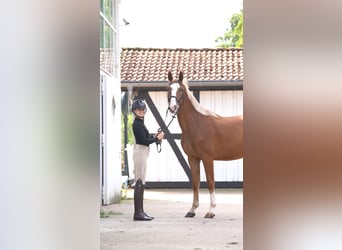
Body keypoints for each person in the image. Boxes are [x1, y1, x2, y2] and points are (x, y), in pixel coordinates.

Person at [131, 99, 164, 221]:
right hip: (140, 152)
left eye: (142, 109)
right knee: (139, 181)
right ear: (134, 111)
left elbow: (145, 137)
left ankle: (140, 211)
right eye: (138, 110)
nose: (140, 111)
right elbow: (144, 141)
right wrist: (157, 139)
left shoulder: (140, 123)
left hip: (142, 152)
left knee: (142, 181)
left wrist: (155, 136)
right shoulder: (137, 124)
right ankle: (138, 213)